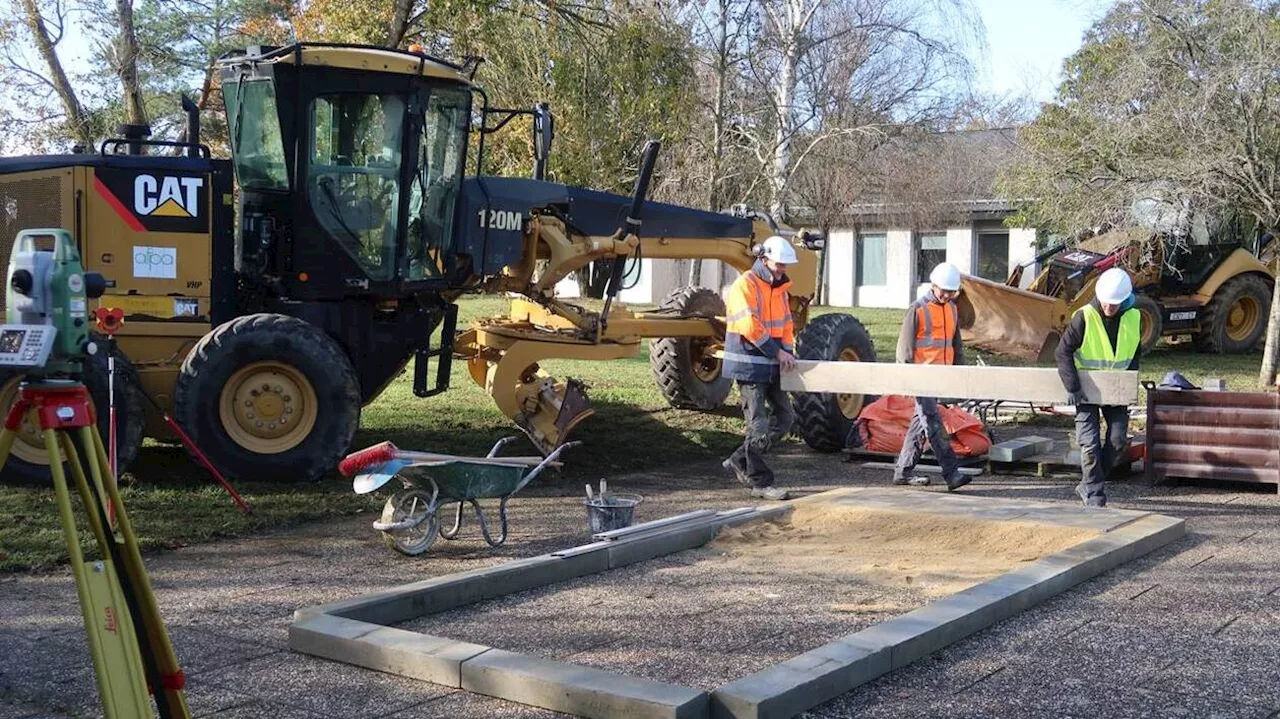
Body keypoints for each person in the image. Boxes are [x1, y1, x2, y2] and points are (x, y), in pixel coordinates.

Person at [720, 236, 798, 501]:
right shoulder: (745, 285)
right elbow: (749, 326)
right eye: (779, 264)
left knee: (785, 418)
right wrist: (777, 352)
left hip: (772, 364)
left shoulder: (780, 289)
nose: (782, 269)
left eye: (785, 265)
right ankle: (760, 482)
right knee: (758, 426)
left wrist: (788, 352)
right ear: (764, 259)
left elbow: (787, 325)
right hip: (750, 365)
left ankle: (739, 459)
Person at [1056, 267, 1140, 508]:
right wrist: (1072, 387)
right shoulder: (1084, 316)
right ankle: (1094, 493)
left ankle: (1090, 481)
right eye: (1106, 302)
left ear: (1125, 300)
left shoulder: (1134, 317)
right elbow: (1062, 351)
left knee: (1117, 441)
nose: (1109, 307)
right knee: (1089, 444)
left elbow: (1134, 354)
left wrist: (1128, 387)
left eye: (1115, 304)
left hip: (1116, 391)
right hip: (1085, 391)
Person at [892, 262, 970, 491]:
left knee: (920, 424)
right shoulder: (917, 309)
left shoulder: (952, 309)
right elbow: (904, 350)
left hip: (940, 377)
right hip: (921, 378)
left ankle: (903, 472)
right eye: (944, 291)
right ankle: (952, 473)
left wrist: (959, 375)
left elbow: (956, 345)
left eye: (951, 292)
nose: (947, 295)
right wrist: (906, 379)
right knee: (933, 425)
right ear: (933, 285)